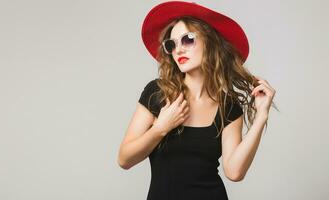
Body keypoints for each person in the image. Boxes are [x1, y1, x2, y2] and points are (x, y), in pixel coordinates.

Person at [117, 1, 277, 200]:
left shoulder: (228, 107)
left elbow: (234, 172)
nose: (178, 49)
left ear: (210, 43)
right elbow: (125, 159)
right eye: (171, 44)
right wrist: (161, 128)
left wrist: (261, 116)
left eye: (188, 39)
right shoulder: (157, 93)